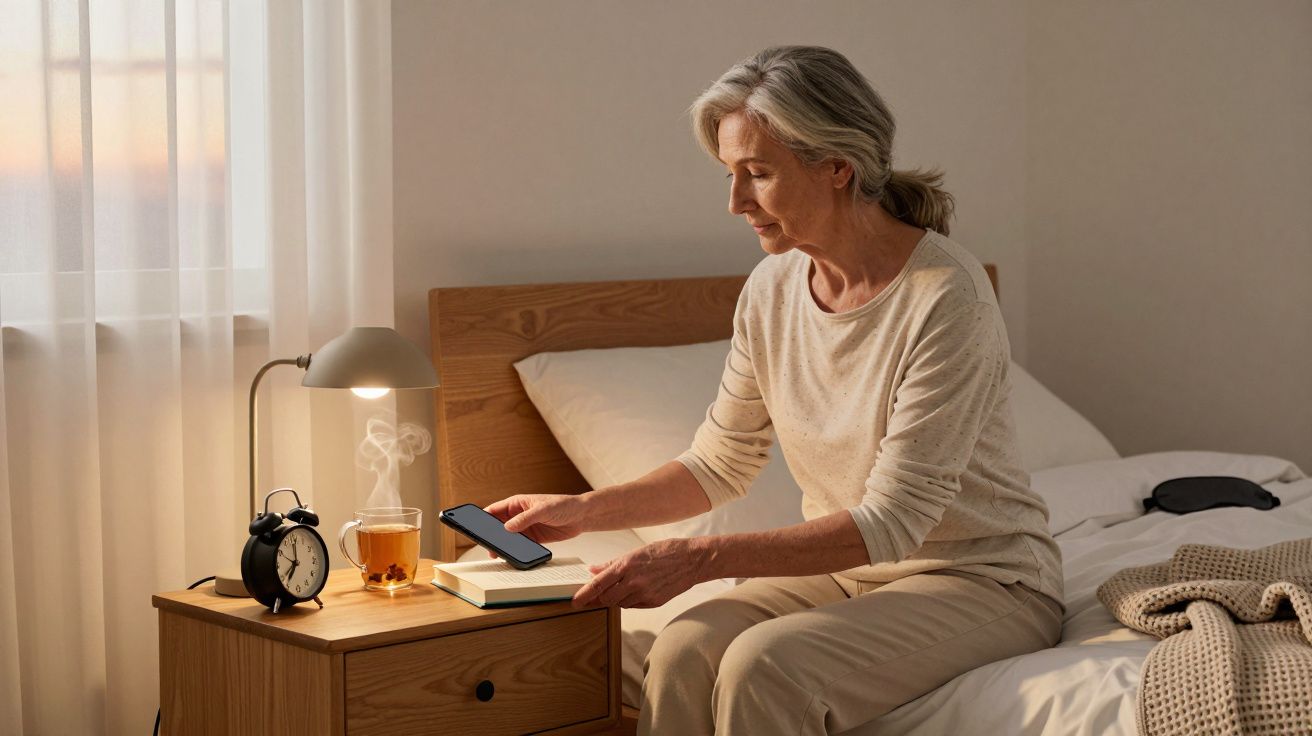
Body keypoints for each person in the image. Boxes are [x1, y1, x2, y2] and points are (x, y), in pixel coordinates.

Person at [485, 45, 1063, 735]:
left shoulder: (946, 299)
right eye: (731, 175)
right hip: (851, 574)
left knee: (767, 664)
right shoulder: (772, 288)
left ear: (838, 167)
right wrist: (584, 510)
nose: (735, 202)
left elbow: (894, 522)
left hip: (982, 580)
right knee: (681, 650)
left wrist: (699, 558)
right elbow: (718, 463)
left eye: (757, 174)